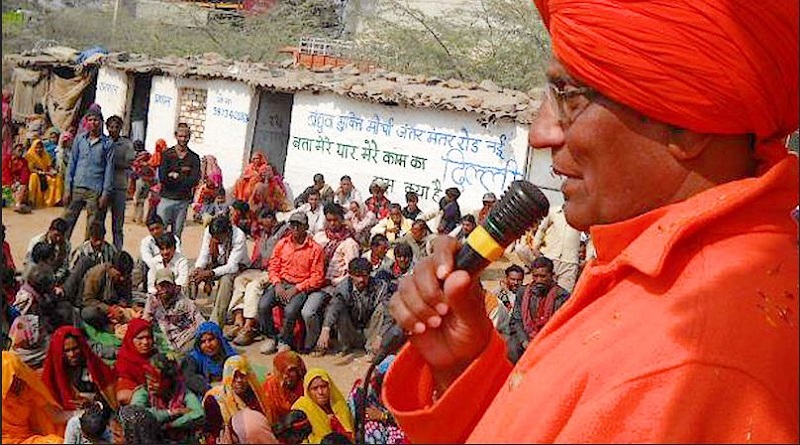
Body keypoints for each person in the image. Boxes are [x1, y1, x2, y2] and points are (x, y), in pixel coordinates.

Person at [382, 0, 799, 442]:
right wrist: (463, 367)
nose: (541, 133)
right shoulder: (667, 275)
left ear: (687, 123)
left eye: (568, 96)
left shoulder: (686, 356)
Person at [258, 212, 325, 354]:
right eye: (292, 224)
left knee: (291, 310)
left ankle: (284, 341)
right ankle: (271, 337)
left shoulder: (315, 249)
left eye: (298, 225)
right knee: (263, 305)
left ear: (306, 227)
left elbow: (317, 277)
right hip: (281, 283)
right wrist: (277, 283)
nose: (294, 227)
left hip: (300, 286)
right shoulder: (282, 244)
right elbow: (273, 265)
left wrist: (297, 288)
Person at [226, 208, 290, 346]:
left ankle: (249, 325)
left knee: (254, 285)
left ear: (272, 220)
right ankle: (239, 320)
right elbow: (258, 257)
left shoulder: (284, 234)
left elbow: (280, 260)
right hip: (261, 269)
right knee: (240, 279)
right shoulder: (264, 234)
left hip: (276, 272)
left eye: (263, 223)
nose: (261, 226)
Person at [303, 203, 361, 353]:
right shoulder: (320, 237)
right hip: (314, 281)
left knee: (309, 311)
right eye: (329, 220)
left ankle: (317, 344)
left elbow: (352, 274)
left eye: (335, 220)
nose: (332, 224)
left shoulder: (349, 244)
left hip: (334, 286)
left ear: (342, 220)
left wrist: (331, 281)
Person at [315, 257, 393, 357]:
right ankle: (344, 347)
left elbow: (389, 315)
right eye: (357, 275)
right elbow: (333, 307)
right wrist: (325, 330)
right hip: (351, 331)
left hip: (371, 331)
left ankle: (372, 349)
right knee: (340, 309)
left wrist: (380, 337)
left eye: (365, 276)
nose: (361, 279)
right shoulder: (343, 287)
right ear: (350, 274)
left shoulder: (380, 287)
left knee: (382, 308)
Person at [505, 257, 570, 363]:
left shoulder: (562, 296)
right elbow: (516, 320)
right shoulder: (523, 292)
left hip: (549, 338)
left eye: (543, 276)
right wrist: (524, 341)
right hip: (527, 336)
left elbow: (563, 326)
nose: (539, 280)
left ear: (552, 275)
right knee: (511, 347)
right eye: (536, 276)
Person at [63, 108, 114, 241]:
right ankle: (62, 250)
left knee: (92, 225)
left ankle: (86, 254)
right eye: (90, 120)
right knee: (67, 221)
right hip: (77, 186)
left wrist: (105, 193)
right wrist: (67, 188)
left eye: (96, 120)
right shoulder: (80, 139)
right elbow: (72, 164)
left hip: (95, 190)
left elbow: (109, 170)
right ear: (86, 122)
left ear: (101, 122)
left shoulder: (108, 144)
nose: (93, 123)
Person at [41, 326, 118, 412]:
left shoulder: (94, 366)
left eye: (75, 348)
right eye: (66, 351)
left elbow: (109, 397)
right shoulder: (51, 375)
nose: (72, 354)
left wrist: (92, 403)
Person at [191, 215, 249, 327]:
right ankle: (188, 314)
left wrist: (210, 273)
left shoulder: (239, 236)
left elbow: (232, 266)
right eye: (215, 237)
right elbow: (204, 254)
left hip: (237, 268)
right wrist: (199, 268)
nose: (216, 240)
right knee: (192, 276)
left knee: (226, 280)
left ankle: (216, 322)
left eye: (219, 238)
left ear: (227, 232)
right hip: (216, 264)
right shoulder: (210, 231)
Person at [129, 358, 204, 442]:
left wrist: (171, 425)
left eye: (155, 382)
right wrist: (172, 413)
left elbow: (199, 414)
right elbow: (136, 415)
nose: (150, 385)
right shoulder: (143, 392)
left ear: (168, 381)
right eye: (148, 379)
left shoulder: (181, 391)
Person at [202, 355, 273, 444]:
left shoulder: (256, 394)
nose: (239, 380)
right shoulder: (215, 400)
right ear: (227, 377)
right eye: (234, 376)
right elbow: (212, 433)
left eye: (242, 376)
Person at [2, 351, 64, 444]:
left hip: (27, 438)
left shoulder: (28, 389)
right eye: (10, 379)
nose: (16, 381)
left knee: (57, 441)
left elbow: (54, 416)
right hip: (6, 441)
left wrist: (78, 413)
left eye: (17, 375)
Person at [520, 204, 583, 292]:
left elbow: (591, 235)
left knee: (564, 295)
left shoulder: (582, 215)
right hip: (550, 258)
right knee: (543, 292)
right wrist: (535, 247)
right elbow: (542, 229)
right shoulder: (553, 212)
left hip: (570, 262)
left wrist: (588, 258)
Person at [142, 269, 205, 355]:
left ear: (174, 286)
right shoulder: (152, 301)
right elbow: (145, 321)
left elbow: (200, 321)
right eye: (161, 286)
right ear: (156, 287)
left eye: (168, 286)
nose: (165, 290)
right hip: (162, 343)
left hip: (185, 341)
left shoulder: (184, 301)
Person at [347, 355, 407, 444]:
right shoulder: (372, 389)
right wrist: (368, 376)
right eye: (383, 376)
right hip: (379, 430)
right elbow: (357, 406)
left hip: (398, 429)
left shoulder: (407, 391)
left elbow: (409, 421)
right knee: (370, 428)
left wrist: (383, 416)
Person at [157, 122, 201, 239]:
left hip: (183, 201)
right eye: (181, 136)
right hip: (166, 198)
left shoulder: (194, 158)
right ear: (176, 136)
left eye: (186, 136)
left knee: (177, 234)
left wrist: (176, 177)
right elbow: (163, 178)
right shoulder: (167, 155)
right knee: (161, 232)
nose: (183, 139)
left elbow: (194, 180)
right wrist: (183, 179)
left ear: (189, 137)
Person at [292, 367, 354, 444]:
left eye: (323, 386)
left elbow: (349, 431)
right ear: (308, 391)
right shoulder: (302, 409)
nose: (320, 392)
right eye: (315, 388)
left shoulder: (338, 403)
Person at [79, 251, 134, 331]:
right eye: (119, 275)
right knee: (88, 313)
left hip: (117, 309)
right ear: (110, 268)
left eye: (125, 275)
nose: (122, 278)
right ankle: (107, 326)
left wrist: (123, 307)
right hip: (99, 309)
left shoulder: (126, 278)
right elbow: (87, 300)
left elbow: (127, 298)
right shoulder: (97, 274)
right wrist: (109, 309)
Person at [114, 318, 163, 405]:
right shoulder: (124, 360)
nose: (145, 342)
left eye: (148, 337)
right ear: (131, 339)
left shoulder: (158, 357)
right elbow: (124, 390)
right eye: (140, 338)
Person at [182, 321, 238, 396]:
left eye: (211, 339)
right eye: (203, 342)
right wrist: (211, 390)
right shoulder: (192, 359)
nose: (208, 345)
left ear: (219, 339)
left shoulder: (228, 354)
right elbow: (189, 378)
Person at [105, 115, 136, 250]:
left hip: (119, 186)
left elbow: (129, 162)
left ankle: (117, 251)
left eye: (116, 127)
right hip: (103, 188)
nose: (113, 130)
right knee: (98, 221)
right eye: (111, 127)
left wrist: (111, 163)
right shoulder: (103, 142)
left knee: (117, 225)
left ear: (120, 128)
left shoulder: (127, 144)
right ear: (107, 128)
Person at [139, 214, 182, 292]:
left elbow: (176, 256)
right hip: (155, 270)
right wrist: (161, 272)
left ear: (163, 226)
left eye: (157, 228)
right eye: (152, 230)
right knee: (143, 263)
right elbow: (148, 260)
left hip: (171, 270)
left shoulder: (174, 239)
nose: (155, 231)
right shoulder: (146, 242)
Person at [262, 350, 307, 423]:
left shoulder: (307, 386)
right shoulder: (270, 387)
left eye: (291, 371)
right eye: (281, 371)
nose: (286, 376)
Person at [24, 217, 71, 286]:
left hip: (55, 277)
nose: (58, 239)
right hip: (36, 276)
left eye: (61, 236)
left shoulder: (66, 245)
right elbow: (28, 262)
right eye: (56, 235)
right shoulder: (36, 241)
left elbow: (64, 266)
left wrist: (55, 278)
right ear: (50, 230)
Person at [484, 264, 524, 332]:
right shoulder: (498, 292)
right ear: (506, 278)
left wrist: (508, 292)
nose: (516, 283)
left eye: (519, 280)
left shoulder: (525, 293)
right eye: (512, 279)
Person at [25, 138, 63, 208]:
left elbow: (49, 166)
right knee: (34, 177)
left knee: (57, 177)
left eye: (40, 148)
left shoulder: (45, 154)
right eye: (36, 148)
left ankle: (56, 200)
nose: (38, 149)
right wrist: (44, 173)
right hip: (35, 174)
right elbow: (31, 169)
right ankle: (31, 200)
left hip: (45, 173)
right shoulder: (29, 155)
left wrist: (52, 171)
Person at [192, 154, 223, 222]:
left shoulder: (212, 173)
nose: (202, 163)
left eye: (203, 161)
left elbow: (211, 183)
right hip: (210, 193)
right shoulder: (216, 170)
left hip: (209, 193)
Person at [131, 140, 155, 224]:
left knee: (137, 200)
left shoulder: (135, 156)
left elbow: (133, 168)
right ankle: (141, 218)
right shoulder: (149, 155)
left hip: (140, 180)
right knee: (144, 200)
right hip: (149, 180)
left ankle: (136, 217)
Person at [5, 143, 31, 213]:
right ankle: (17, 205)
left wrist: (20, 183)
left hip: (18, 182)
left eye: (22, 150)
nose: (21, 152)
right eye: (19, 150)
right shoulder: (7, 160)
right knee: (10, 190)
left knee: (22, 188)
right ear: (14, 150)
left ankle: (17, 204)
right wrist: (11, 183)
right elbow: (6, 173)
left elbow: (25, 173)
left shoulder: (24, 161)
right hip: (7, 182)